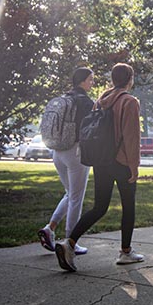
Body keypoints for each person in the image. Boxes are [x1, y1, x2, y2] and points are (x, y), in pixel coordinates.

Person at [55, 63, 144, 272]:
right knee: (128, 206)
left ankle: (70, 243)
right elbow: (132, 137)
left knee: (99, 207)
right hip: (122, 161)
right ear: (129, 79)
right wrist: (134, 166)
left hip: (101, 160)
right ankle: (125, 251)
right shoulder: (129, 102)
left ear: (113, 79)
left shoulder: (101, 101)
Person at [37, 67, 95, 255]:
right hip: (75, 152)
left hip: (57, 151)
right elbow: (90, 128)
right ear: (83, 81)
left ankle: (50, 228)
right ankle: (71, 241)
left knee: (70, 194)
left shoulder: (65, 98)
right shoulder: (85, 102)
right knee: (76, 198)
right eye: (91, 79)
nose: (92, 82)